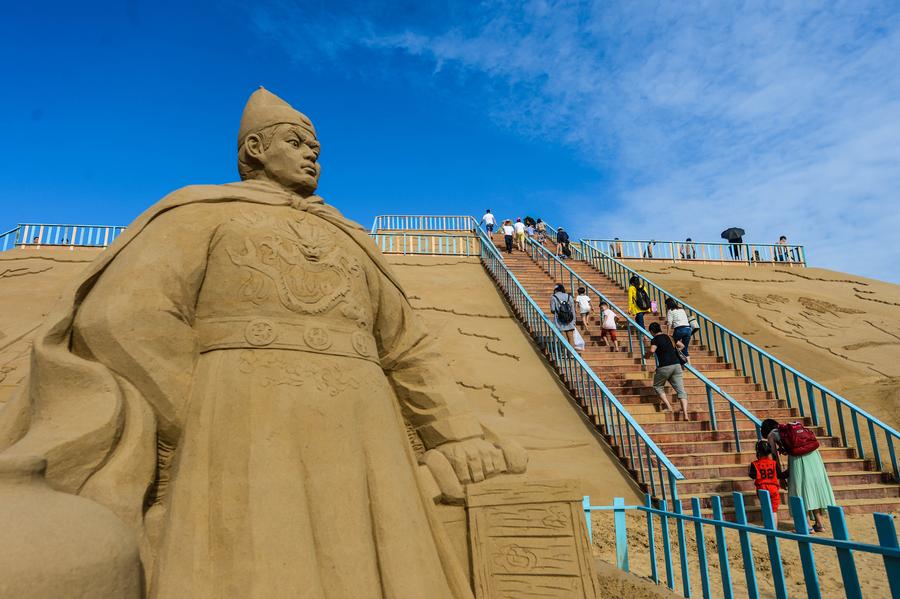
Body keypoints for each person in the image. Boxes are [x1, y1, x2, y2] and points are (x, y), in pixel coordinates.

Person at [0, 87, 526, 596]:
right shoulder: (200, 213)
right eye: (296, 143)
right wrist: (204, 409)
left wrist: (455, 435)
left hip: (368, 428)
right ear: (255, 148)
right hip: (241, 417)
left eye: (315, 150)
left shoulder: (350, 236)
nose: (311, 157)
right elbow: (121, 319)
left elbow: (407, 345)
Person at [760, 419, 836, 533]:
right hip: (814, 457)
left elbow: (774, 458)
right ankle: (819, 524)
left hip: (797, 459)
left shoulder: (772, 435)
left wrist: (780, 476)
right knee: (812, 490)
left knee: (799, 490)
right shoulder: (788, 429)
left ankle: (806, 526)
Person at [645, 322, 689, 419]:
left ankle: (669, 407)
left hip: (664, 366)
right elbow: (682, 346)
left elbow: (652, 350)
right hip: (677, 365)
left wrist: (646, 355)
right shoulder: (670, 337)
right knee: (681, 391)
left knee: (658, 386)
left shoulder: (655, 340)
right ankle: (685, 414)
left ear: (652, 331)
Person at [749, 440, 789, 527]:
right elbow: (780, 475)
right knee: (774, 510)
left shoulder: (755, 464)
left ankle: (768, 527)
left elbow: (752, 475)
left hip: (761, 488)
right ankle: (774, 528)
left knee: (766, 508)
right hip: (773, 488)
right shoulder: (773, 463)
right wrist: (789, 470)